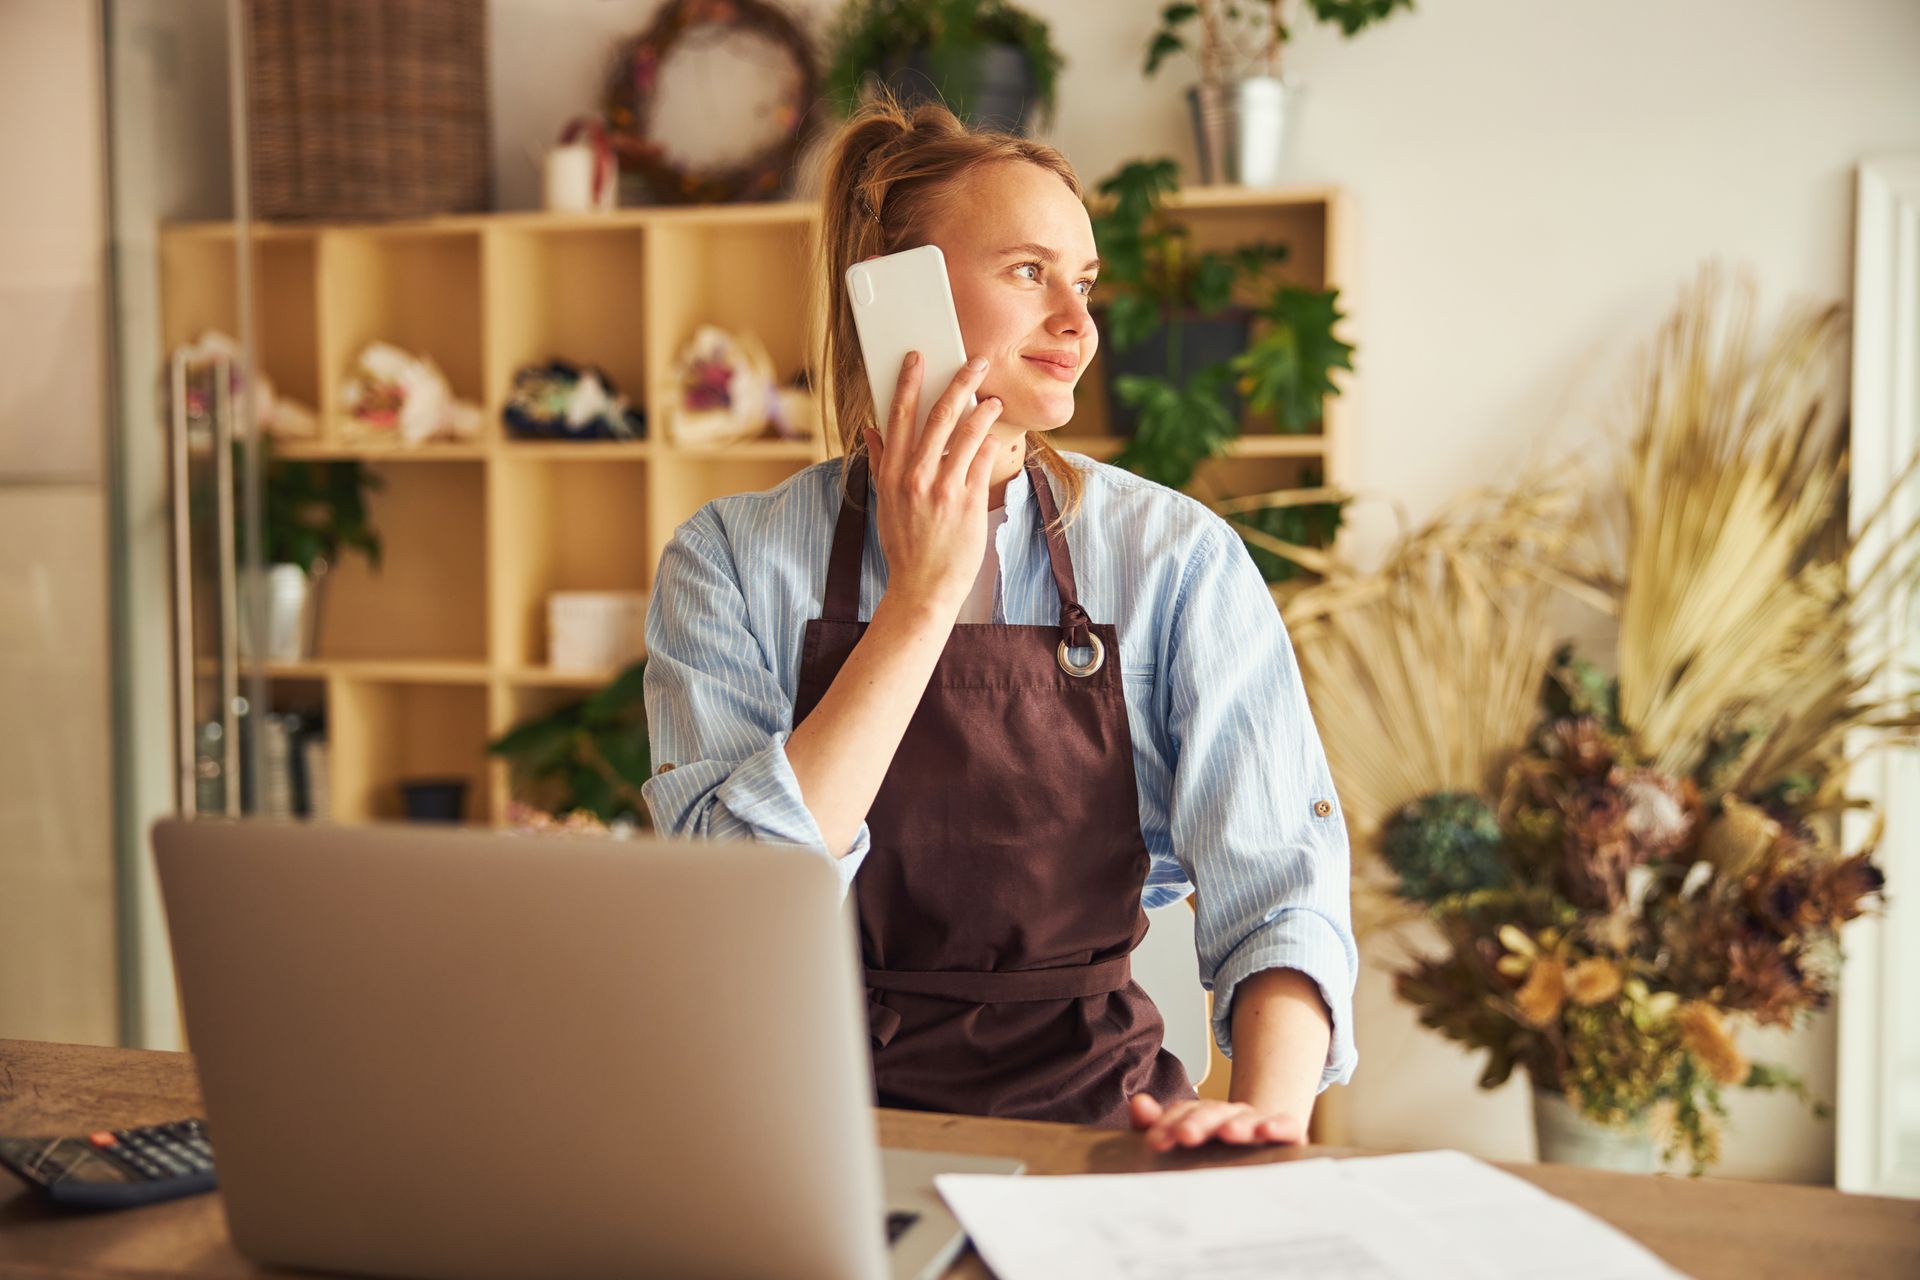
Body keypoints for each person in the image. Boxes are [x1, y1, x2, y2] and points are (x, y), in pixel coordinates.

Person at [641, 94, 1357, 1152]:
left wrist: (1265, 1113)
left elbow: (1282, 886)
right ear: (895, 298)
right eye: (1030, 273)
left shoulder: (1176, 557)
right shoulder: (730, 559)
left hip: (1097, 1118)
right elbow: (735, 904)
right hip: (801, 1125)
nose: (1079, 322)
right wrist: (922, 600)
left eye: (1085, 281)